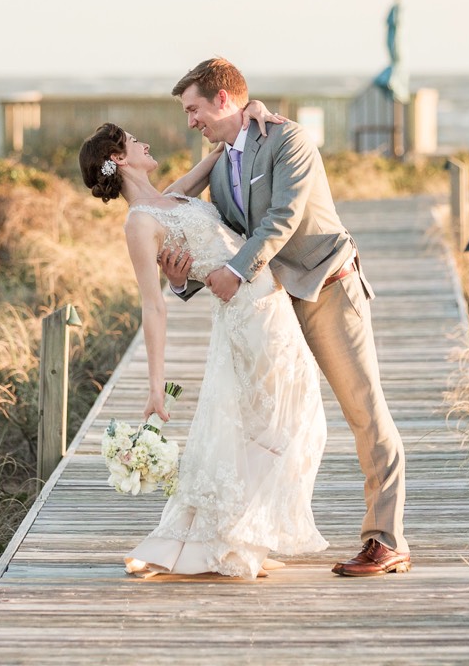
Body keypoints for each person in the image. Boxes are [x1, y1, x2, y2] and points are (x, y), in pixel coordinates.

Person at [162, 57, 410, 577]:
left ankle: (385, 540)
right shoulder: (220, 163)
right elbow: (215, 230)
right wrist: (182, 280)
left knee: (364, 410)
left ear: (223, 98)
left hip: (327, 288)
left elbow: (282, 217)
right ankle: (251, 536)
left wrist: (235, 270)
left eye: (193, 108)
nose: (190, 120)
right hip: (270, 303)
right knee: (264, 420)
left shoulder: (288, 139)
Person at [78, 103, 328, 580]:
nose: (145, 143)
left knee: (278, 420)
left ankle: (242, 536)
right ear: (119, 158)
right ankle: (235, 540)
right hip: (246, 317)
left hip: (268, 302)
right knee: (283, 422)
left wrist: (252, 108)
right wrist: (155, 386)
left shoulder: (173, 195)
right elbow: (153, 306)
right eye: (134, 141)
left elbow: (222, 147)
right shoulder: (139, 224)